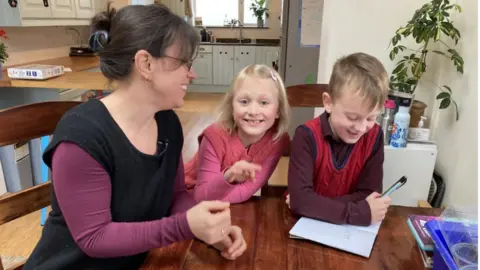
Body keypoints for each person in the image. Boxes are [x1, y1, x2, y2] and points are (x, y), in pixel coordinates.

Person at [24, 4, 246, 269]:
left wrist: (208, 230)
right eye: (183, 63)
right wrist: (185, 226)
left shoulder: (167, 124)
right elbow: (94, 238)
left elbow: (175, 198)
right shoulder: (82, 137)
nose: (192, 73)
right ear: (145, 63)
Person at [286, 52, 392, 226]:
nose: (360, 128)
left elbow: (369, 193)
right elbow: (301, 201)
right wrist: (359, 211)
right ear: (328, 103)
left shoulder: (375, 137)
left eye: (371, 118)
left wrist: (313, 204)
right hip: (304, 229)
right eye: (352, 117)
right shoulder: (306, 135)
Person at [184, 64, 291, 203]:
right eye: (244, 101)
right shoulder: (214, 136)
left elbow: (247, 190)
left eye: (264, 103)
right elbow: (202, 197)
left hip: (223, 203)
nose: (253, 111)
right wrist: (229, 176)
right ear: (232, 106)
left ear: (278, 110)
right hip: (187, 196)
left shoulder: (277, 140)